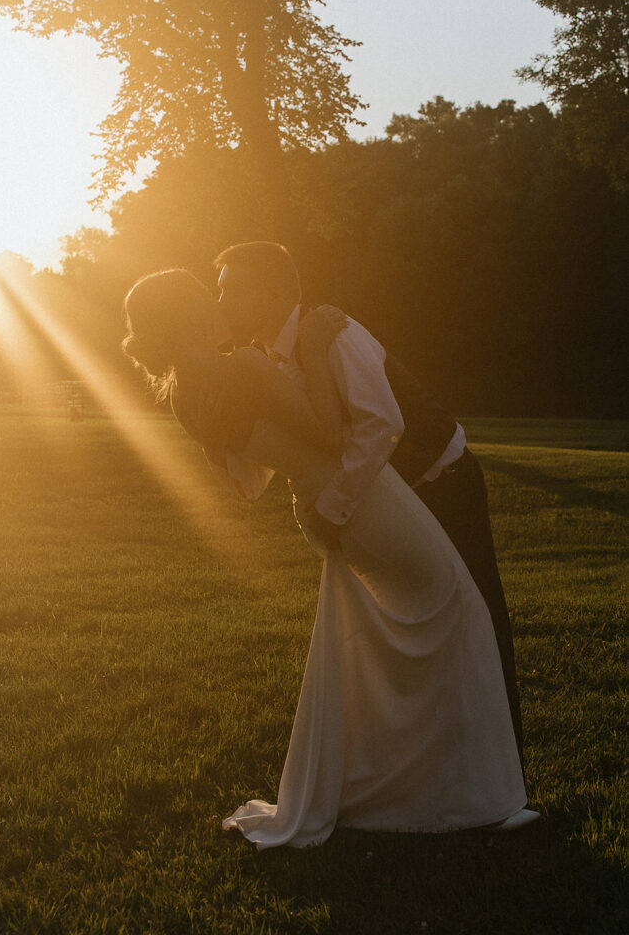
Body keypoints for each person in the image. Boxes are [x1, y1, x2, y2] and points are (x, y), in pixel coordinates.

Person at [122, 267, 534, 850]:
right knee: (457, 607)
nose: (217, 301)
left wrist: (300, 473)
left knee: (408, 626)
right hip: (366, 501)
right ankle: (470, 795)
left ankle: (438, 783)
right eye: (203, 293)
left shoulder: (184, 394)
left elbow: (246, 481)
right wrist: (312, 349)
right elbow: (333, 435)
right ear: (188, 312)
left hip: (325, 509)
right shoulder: (241, 365)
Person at [213, 241, 525, 767]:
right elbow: (280, 455)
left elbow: (382, 425)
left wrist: (333, 509)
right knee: (412, 623)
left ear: (268, 292)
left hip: (441, 483)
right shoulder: (266, 361)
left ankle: (505, 762)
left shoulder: (333, 333)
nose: (220, 301)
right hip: (388, 506)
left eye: (229, 289)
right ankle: (434, 754)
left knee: (477, 614)